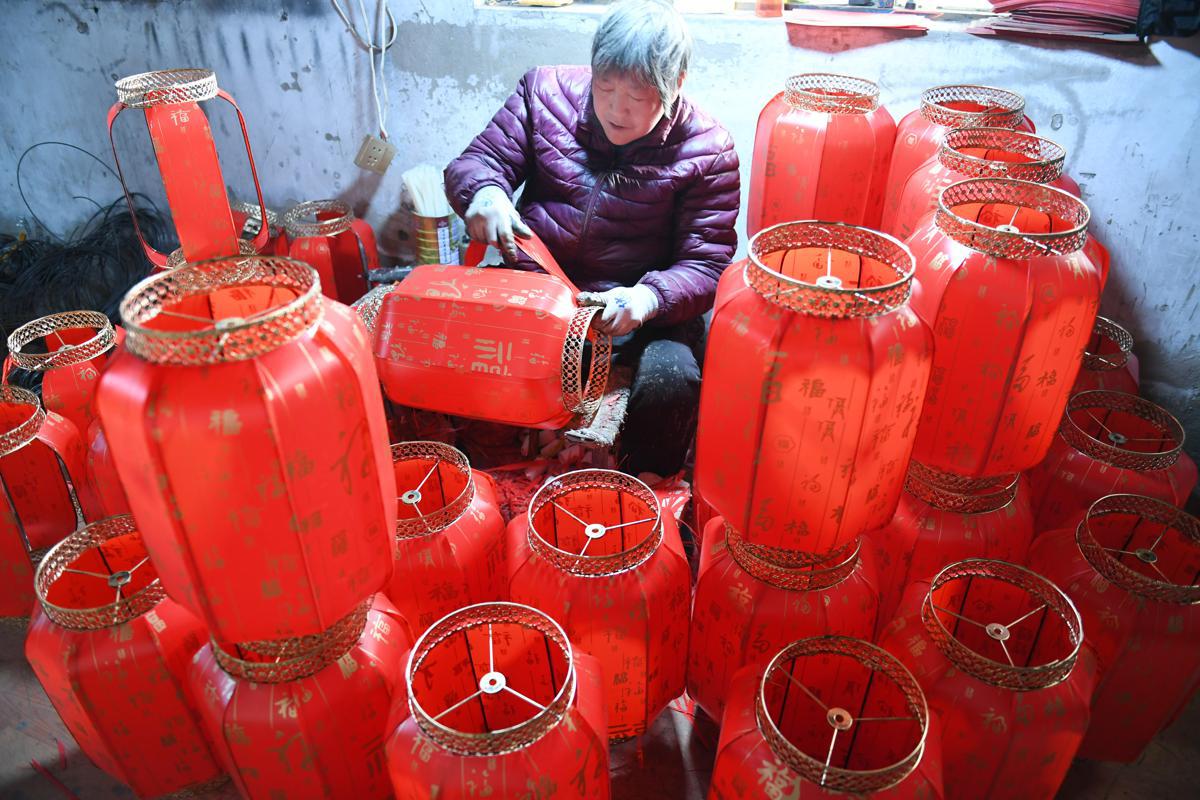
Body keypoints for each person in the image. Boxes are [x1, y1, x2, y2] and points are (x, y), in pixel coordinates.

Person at [444, 0, 740, 477]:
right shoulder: (544, 93)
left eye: (638, 95)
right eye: (605, 87)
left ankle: (638, 494)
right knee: (457, 343)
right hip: (539, 294)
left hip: (636, 313)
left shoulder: (709, 150)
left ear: (676, 85)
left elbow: (705, 267)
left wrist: (647, 298)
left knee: (672, 379)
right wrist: (484, 193)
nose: (616, 109)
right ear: (593, 69)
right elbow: (476, 163)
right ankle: (481, 478)